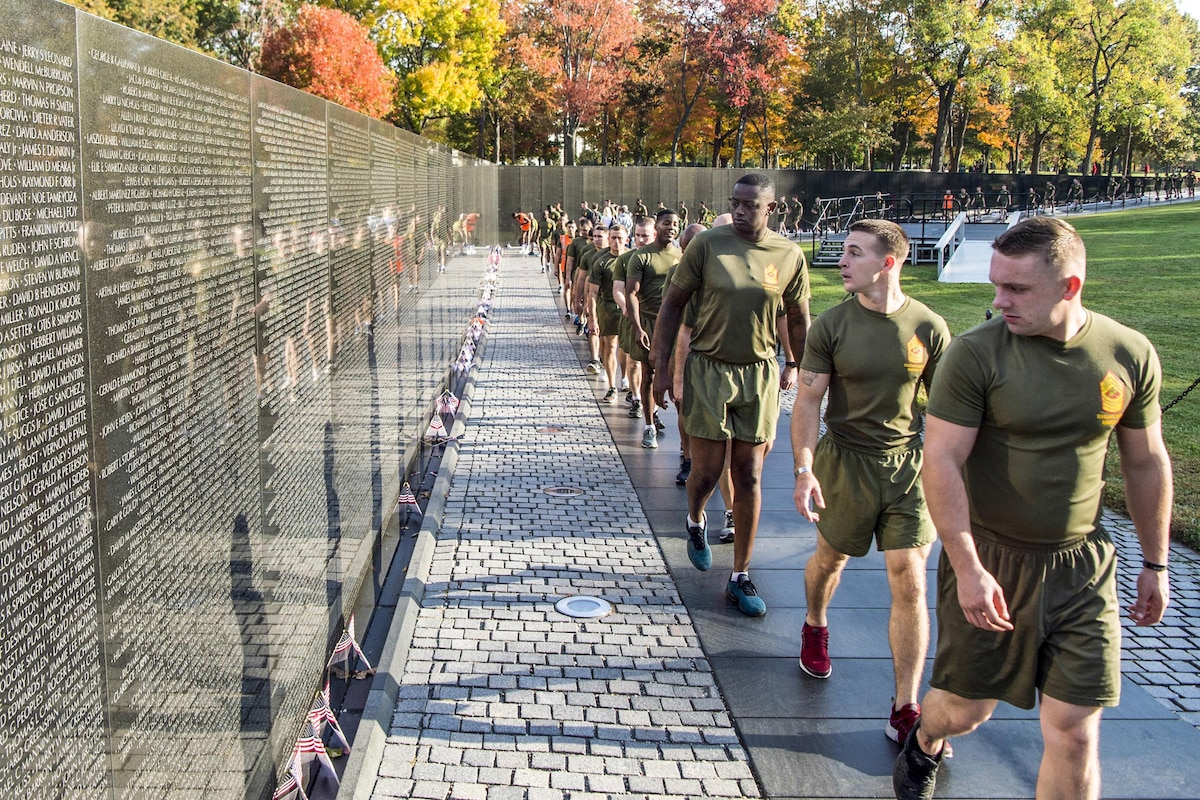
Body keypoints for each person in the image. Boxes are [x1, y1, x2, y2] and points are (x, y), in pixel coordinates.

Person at [893, 216, 1173, 800]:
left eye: (1016, 289)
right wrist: (967, 568)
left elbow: (1146, 462)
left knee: (1073, 732)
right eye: (996, 285)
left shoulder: (1127, 352)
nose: (999, 300)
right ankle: (925, 739)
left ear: (1070, 286)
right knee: (966, 712)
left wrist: (1156, 562)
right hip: (992, 560)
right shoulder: (974, 355)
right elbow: (940, 460)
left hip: (1083, 568)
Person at [791, 220, 951, 748]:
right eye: (843, 251)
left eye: (854, 253)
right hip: (845, 462)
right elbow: (809, 401)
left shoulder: (929, 327)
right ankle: (815, 623)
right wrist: (804, 467)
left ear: (888, 262)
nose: (841, 261)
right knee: (830, 561)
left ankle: (906, 705)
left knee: (910, 577)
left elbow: (950, 411)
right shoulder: (831, 326)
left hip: (908, 468)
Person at [651, 173, 811, 617]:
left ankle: (740, 574)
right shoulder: (708, 245)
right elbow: (672, 307)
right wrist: (661, 369)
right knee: (705, 472)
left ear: (771, 209)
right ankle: (695, 520)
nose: (740, 211)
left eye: (750, 205)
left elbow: (797, 320)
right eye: (735, 203)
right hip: (708, 368)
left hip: (759, 373)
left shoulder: (789, 255)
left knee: (750, 475)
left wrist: (801, 367)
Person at [626, 209, 682, 448]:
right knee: (648, 374)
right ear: (657, 227)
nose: (671, 227)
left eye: (676, 224)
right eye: (667, 223)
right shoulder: (641, 257)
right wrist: (638, 328)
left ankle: (686, 439)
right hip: (649, 323)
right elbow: (631, 294)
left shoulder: (682, 256)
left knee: (679, 378)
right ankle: (649, 426)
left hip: (676, 325)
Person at [586, 224, 628, 402]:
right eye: (613, 238)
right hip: (608, 307)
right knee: (610, 346)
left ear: (626, 238)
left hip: (629, 308)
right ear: (608, 239)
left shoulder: (633, 257)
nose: (616, 242)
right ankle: (612, 386)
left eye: (620, 238)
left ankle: (625, 378)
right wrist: (592, 318)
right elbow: (593, 292)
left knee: (627, 349)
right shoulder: (601, 261)